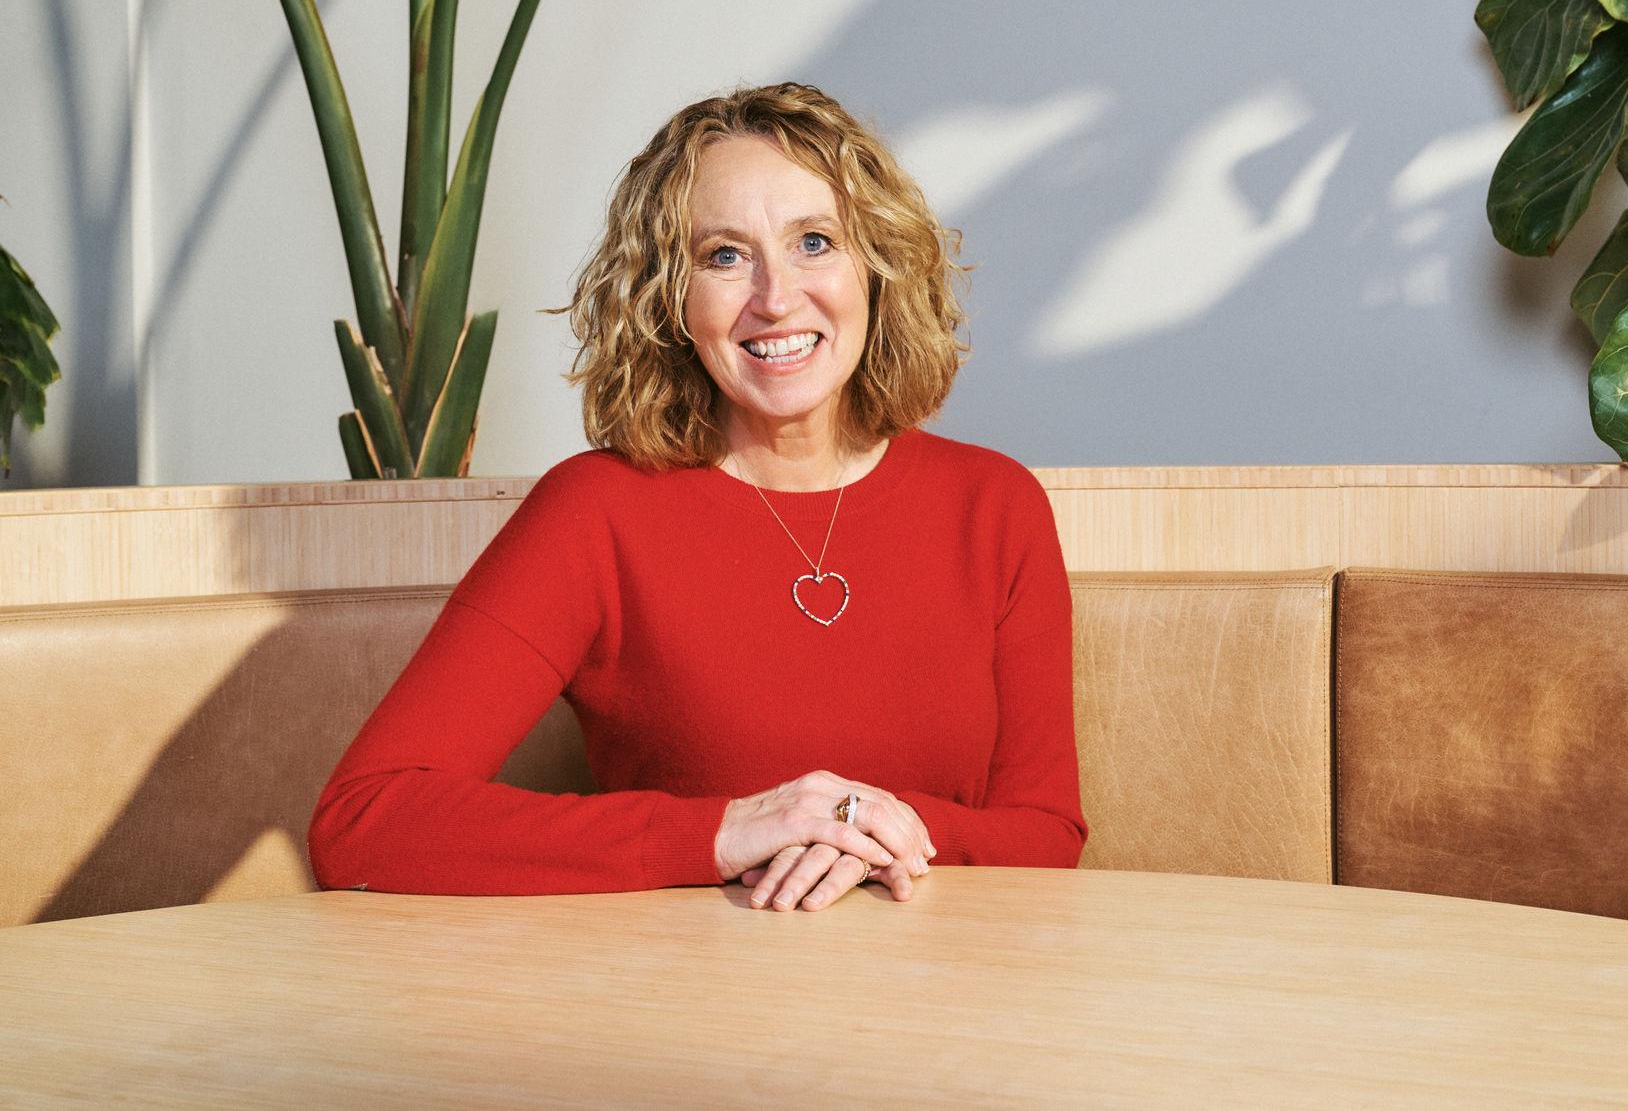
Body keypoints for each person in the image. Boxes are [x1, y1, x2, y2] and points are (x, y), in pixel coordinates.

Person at [306, 82, 1087, 913]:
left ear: (878, 266)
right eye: (723, 255)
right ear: (669, 300)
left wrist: (864, 830)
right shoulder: (597, 513)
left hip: (952, 1007)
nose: (775, 296)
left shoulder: (994, 505)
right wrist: (725, 831)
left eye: (814, 241)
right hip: (680, 1011)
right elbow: (365, 816)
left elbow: (1045, 833)